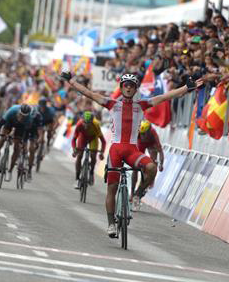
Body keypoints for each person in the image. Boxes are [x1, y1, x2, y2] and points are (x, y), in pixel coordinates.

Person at [60, 71, 203, 238]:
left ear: (135, 89)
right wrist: (71, 81)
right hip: (116, 150)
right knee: (112, 188)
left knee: (151, 167)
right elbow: (89, 93)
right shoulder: (112, 104)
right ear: (121, 87)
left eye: (132, 86)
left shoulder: (141, 105)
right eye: (126, 85)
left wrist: (186, 87)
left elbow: (165, 96)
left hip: (132, 150)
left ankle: (137, 194)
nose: (128, 87)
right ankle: (111, 223)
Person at [0, 103, 43, 181]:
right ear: (19, 111)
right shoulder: (12, 110)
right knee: (2, 138)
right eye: (21, 114)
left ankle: (10, 171)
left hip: (21, 127)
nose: (22, 117)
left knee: (17, 148)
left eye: (24, 116)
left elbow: (25, 133)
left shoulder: (29, 119)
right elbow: (1, 123)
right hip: (10, 122)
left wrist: (23, 142)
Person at [131, 120, 164, 210]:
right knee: (135, 167)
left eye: (145, 134)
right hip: (141, 145)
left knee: (153, 165)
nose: (143, 136)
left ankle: (141, 189)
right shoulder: (139, 136)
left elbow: (160, 151)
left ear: (149, 131)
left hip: (152, 145)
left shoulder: (153, 134)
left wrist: (161, 164)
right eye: (142, 134)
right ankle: (132, 193)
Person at [71, 111, 106, 189]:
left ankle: (91, 172)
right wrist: (74, 149)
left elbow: (103, 141)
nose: (86, 125)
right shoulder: (79, 124)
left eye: (88, 123)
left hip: (93, 138)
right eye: (84, 123)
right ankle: (77, 179)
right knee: (79, 155)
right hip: (82, 137)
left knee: (93, 155)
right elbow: (73, 139)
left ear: (92, 122)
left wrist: (102, 152)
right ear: (82, 121)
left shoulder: (96, 125)